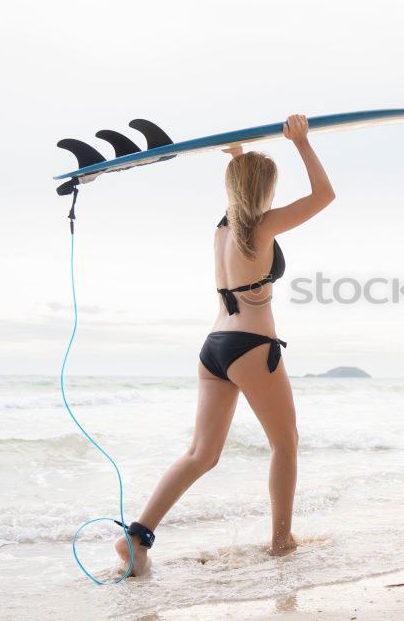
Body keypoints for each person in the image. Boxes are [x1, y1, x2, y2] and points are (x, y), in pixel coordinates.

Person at [114, 113, 335, 576]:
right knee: (286, 443)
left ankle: (137, 536)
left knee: (201, 454)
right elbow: (323, 196)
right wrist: (302, 143)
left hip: (213, 347)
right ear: (265, 190)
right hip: (252, 346)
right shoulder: (262, 226)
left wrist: (237, 157)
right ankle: (281, 540)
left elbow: (238, 197)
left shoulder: (222, 230)